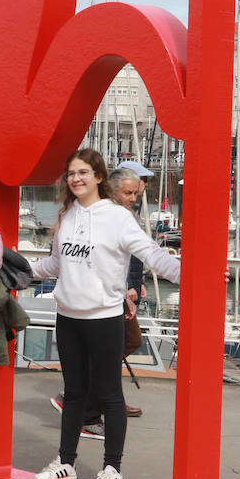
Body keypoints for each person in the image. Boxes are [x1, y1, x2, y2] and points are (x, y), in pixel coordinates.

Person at [31, 149, 180, 479]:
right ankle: (65, 462)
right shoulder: (67, 215)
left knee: (110, 396)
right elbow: (54, 265)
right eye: (71, 173)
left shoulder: (117, 217)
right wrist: (17, 271)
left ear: (98, 176)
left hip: (104, 319)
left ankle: (112, 469)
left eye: (83, 172)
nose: (76, 178)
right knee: (75, 394)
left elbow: (152, 254)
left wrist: (192, 275)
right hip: (68, 318)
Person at [48, 165, 147, 433]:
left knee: (122, 347)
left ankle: (98, 398)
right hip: (104, 302)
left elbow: (132, 257)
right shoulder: (90, 217)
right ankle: (89, 406)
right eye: (128, 193)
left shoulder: (122, 217)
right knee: (115, 349)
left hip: (118, 298)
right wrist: (126, 288)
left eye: (135, 193)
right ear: (112, 191)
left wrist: (137, 285)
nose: (133, 198)